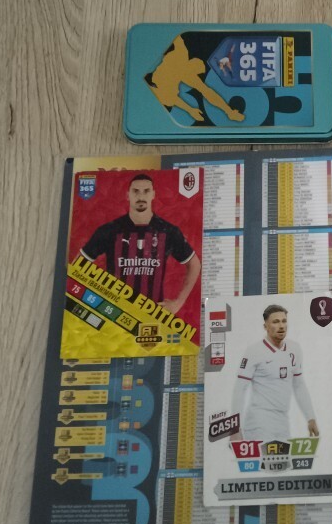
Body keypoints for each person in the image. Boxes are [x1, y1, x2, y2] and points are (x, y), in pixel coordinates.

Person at [78, 174, 201, 313]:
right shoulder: (109, 230)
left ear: (153, 195)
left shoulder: (168, 231)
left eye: (146, 191)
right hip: (113, 314)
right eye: (136, 191)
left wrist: (179, 302)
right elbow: (79, 265)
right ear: (128, 195)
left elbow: (194, 264)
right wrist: (96, 300)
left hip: (153, 316)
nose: (141, 196)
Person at [231, 304, 318, 443]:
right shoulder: (254, 351)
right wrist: (235, 428)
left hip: (282, 421)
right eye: (275, 322)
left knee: (285, 457)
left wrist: (310, 417)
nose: (281, 326)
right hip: (260, 421)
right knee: (267, 457)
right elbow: (240, 389)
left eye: (284, 321)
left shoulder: (294, 349)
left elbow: (299, 385)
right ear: (265, 326)